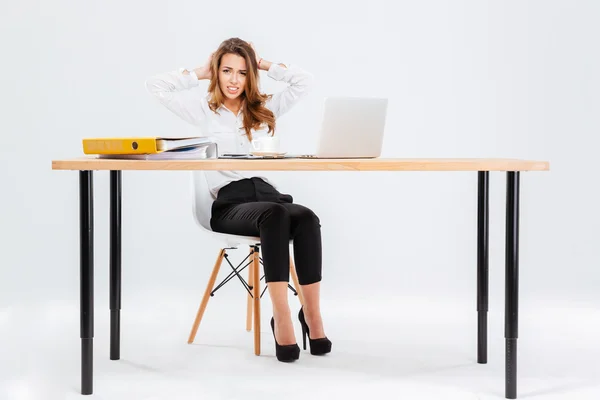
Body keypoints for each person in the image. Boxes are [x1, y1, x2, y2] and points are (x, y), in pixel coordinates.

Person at [145, 37, 331, 362]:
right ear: (217, 72)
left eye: (242, 72)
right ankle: (282, 315)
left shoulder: (264, 108)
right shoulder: (203, 110)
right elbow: (156, 86)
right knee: (276, 215)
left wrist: (265, 64)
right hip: (230, 205)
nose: (233, 80)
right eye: (227, 70)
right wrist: (199, 72)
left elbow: (306, 82)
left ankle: (312, 316)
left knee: (305, 217)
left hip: (269, 196)